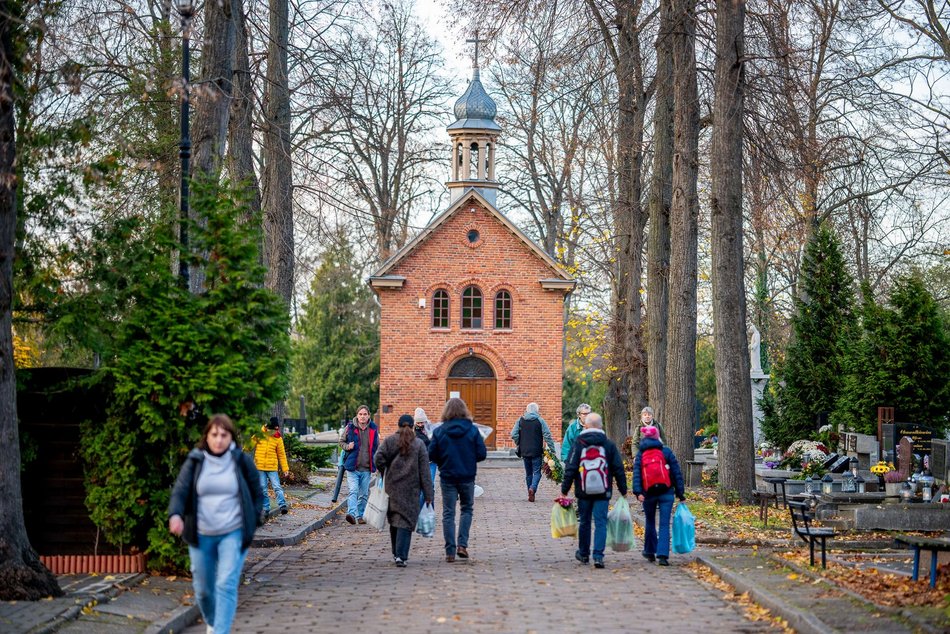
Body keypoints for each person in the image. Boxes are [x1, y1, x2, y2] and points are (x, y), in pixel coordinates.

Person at [168, 414, 263, 634]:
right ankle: (212, 621)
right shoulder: (196, 460)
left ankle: (220, 630)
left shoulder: (240, 460)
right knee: (203, 590)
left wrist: (255, 518)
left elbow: (257, 493)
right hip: (201, 533)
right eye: (214, 435)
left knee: (226, 584)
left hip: (233, 532)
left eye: (224, 435)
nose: (219, 440)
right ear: (207, 437)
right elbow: (181, 491)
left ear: (231, 437)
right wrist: (175, 515)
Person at [560, 412, 627, 569]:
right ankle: (598, 556)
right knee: (601, 522)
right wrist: (623, 490)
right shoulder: (608, 444)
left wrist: (564, 489)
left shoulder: (579, 442)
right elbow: (618, 468)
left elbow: (571, 467)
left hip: (583, 490)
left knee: (584, 522)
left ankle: (583, 554)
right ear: (601, 426)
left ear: (586, 425)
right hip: (603, 490)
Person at [428, 397, 487, 562]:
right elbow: (482, 454)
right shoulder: (472, 430)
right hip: (467, 477)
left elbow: (431, 454)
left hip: (447, 477)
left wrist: (443, 461)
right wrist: (469, 459)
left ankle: (449, 551)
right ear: (464, 411)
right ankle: (462, 545)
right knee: (466, 509)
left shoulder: (439, 431)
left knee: (448, 513)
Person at [374, 414, 435, 567]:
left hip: (392, 489)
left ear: (398, 425)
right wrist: (428, 494)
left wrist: (384, 471)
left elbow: (378, 458)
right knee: (406, 522)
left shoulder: (389, 441)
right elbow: (425, 471)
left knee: (394, 521)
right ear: (413, 425)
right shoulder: (419, 444)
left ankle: (396, 553)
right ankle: (401, 555)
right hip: (411, 490)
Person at [632, 425, 685, 566]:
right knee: (664, 523)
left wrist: (638, 492)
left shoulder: (640, 454)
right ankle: (662, 555)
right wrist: (680, 493)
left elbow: (637, 475)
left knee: (650, 521)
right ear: (657, 437)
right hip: (666, 493)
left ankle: (649, 551)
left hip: (648, 494)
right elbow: (676, 473)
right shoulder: (666, 451)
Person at [511, 402, 557, 502]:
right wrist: (553, 450)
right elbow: (547, 435)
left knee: (528, 474)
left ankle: (530, 492)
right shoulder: (540, 420)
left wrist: (519, 442)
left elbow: (513, 434)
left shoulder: (520, 420)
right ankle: (533, 488)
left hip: (524, 451)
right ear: (537, 411)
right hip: (536, 451)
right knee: (537, 473)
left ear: (527, 410)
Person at [341, 405, 380, 525]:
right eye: (360, 414)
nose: (362, 417)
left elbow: (377, 448)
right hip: (353, 467)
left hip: (366, 468)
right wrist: (348, 446)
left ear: (368, 416)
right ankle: (351, 514)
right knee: (353, 490)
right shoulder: (350, 428)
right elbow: (341, 442)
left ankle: (360, 515)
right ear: (357, 415)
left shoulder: (373, 429)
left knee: (363, 494)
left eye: (365, 414)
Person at [253, 417, 289, 516]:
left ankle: (283, 506)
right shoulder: (260, 435)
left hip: (272, 467)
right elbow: (249, 445)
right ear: (268, 428)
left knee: (277, 487)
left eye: (277, 429)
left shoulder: (278, 438)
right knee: (262, 488)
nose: (275, 431)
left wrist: (285, 469)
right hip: (260, 467)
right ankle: (266, 508)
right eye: (274, 429)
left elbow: (282, 455)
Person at [414, 407, 437, 508]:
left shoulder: (431, 430)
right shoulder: (414, 433)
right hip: (420, 463)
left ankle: (429, 510)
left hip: (432, 462)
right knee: (423, 488)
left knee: (430, 486)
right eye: (418, 423)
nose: (420, 425)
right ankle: (419, 511)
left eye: (422, 422)